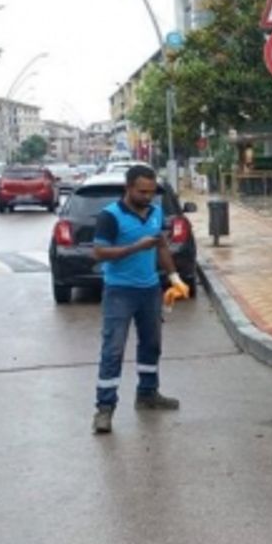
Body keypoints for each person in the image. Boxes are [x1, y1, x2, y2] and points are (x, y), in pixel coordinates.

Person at [90, 165, 190, 434]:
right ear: (129, 188)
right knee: (113, 349)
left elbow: (161, 246)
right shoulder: (110, 217)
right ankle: (104, 409)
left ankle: (147, 394)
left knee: (152, 344)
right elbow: (99, 253)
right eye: (141, 192)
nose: (148, 197)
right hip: (119, 291)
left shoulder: (156, 212)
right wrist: (136, 247)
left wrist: (174, 277)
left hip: (149, 290)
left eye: (151, 192)